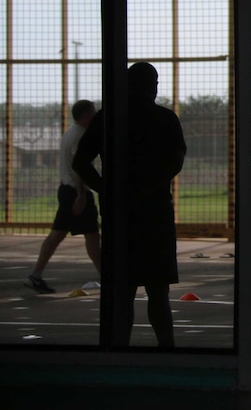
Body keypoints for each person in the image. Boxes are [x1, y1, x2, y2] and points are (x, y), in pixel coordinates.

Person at [73, 62, 186, 348]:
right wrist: (151, 184)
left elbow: (81, 162)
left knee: (122, 292)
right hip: (155, 211)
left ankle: (118, 349)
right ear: (154, 87)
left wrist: (107, 189)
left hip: (119, 213)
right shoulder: (165, 119)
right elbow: (175, 162)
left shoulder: (107, 118)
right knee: (158, 293)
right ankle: (167, 350)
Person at [25, 100, 101, 293]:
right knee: (90, 236)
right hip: (76, 190)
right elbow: (78, 166)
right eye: (93, 113)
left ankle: (36, 275)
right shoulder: (80, 135)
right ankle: (107, 276)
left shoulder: (71, 131)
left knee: (61, 234)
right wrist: (81, 196)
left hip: (68, 190)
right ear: (85, 116)